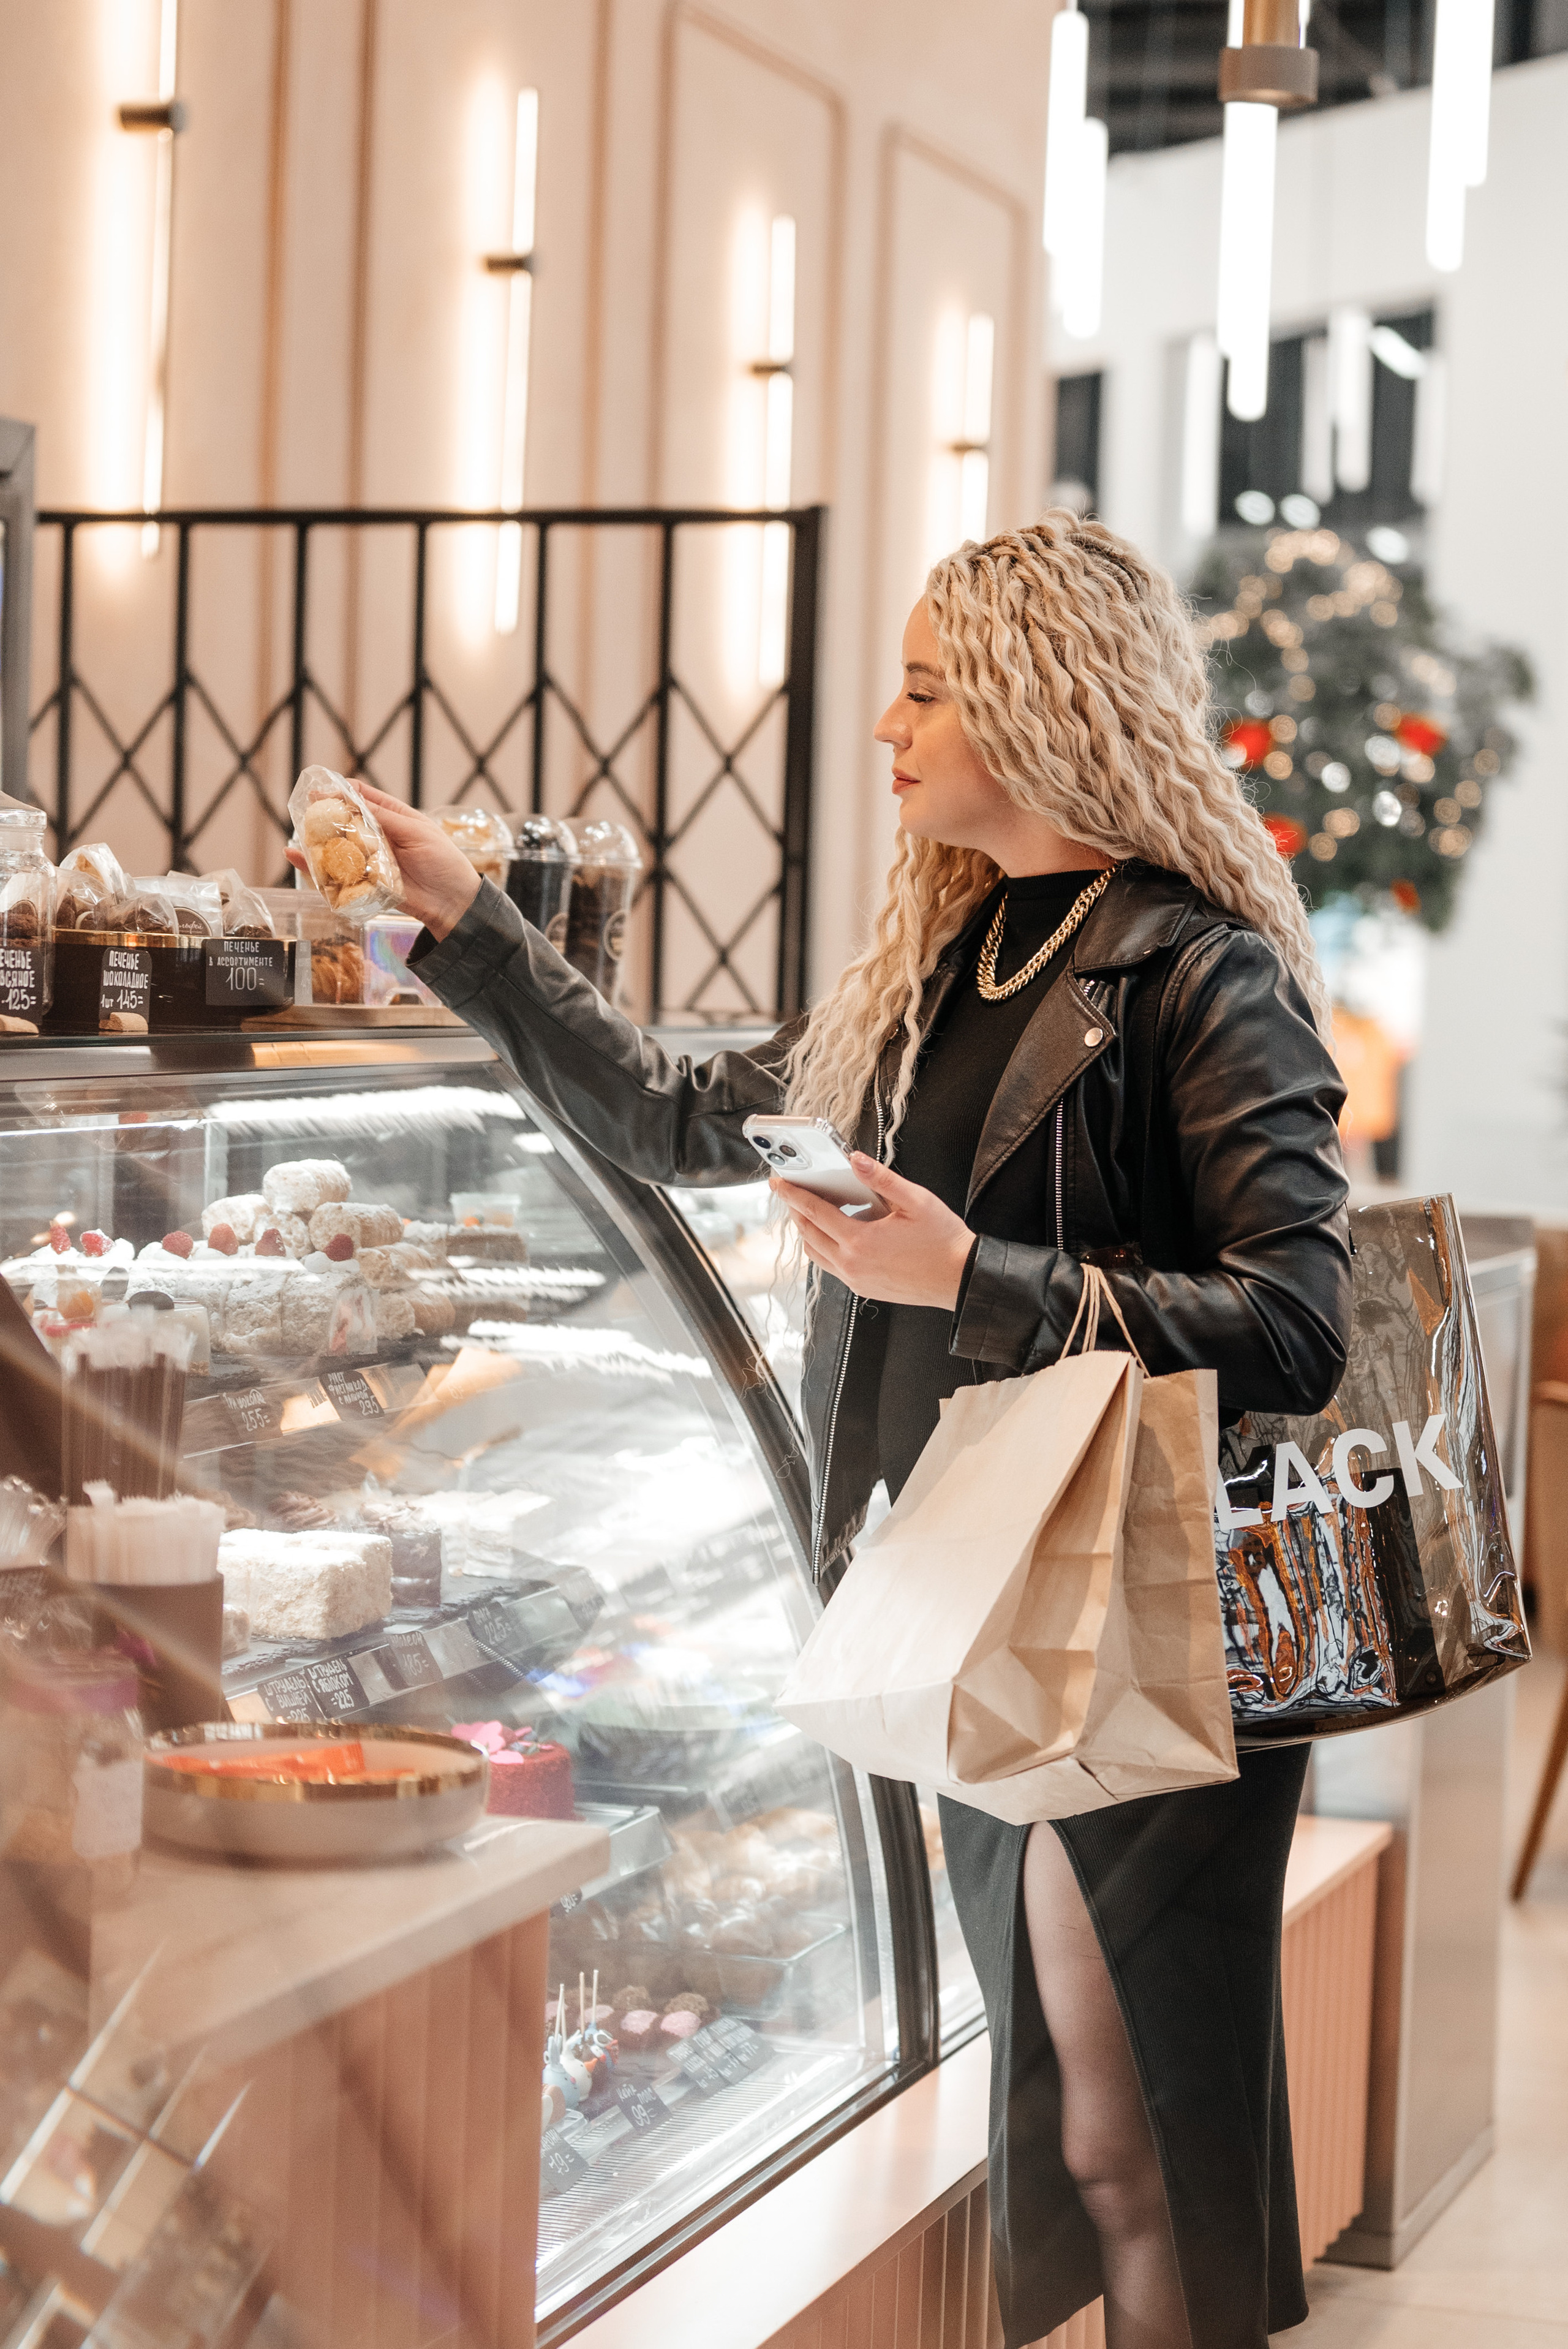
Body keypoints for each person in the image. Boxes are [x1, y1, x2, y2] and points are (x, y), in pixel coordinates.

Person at [308, 514, 1352, 2349]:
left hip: (1137, 1626)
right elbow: (661, 1111)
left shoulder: (1201, 977)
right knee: (1064, 2132)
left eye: (929, 689)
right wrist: (462, 917)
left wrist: (980, 1276)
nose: (888, 724)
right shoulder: (943, 969)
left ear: (1043, 706)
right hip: (956, 1604)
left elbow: (1296, 1322)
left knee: (1145, 2139)